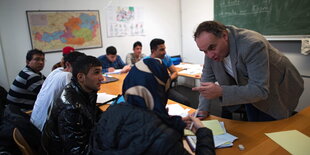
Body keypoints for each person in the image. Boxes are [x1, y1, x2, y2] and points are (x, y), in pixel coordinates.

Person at [90, 58, 215, 155]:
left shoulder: (110, 112)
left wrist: (170, 122)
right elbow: (155, 137)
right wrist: (202, 133)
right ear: (161, 89)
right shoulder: (165, 139)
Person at [192, 21, 304, 121]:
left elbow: (260, 90)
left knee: (271, 128)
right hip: (250, 88)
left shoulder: (252, 45)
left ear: (224, 36)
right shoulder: (210, 50)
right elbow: (205, 81)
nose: (210, 55)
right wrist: (202, 110)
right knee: (253, 123)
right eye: (204, 51)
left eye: (212, 48)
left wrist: (221, 91)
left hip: (279, 87)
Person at [42, 56, 103, 154]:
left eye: (101, 72)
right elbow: (77, 151)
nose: (102, 78)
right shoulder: (71, 108)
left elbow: (93, 114)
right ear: (80, 77)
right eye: (96, 72)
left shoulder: (84, 90)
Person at [31, 51, 86, 131]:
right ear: (67, 64)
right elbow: (77, 98)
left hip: (35, 121)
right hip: (45, 129)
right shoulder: (67, 75)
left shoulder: (57, 71)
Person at [145, 38, 191, 106]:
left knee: (185, 102)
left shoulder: (166, 58)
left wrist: (169, 80)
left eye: (164, 49)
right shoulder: (145, 62)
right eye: (161, 50)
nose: (165, 52)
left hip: (165, 89)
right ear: (153, 51)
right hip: (151, 91)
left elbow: (175, 73)